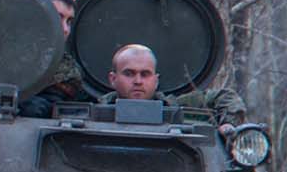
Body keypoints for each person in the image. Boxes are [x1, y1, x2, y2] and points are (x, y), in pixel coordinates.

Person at [104, 43, 246, 133]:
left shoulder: (175, 107)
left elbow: (226, 97)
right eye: (129, 74)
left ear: (156, 81)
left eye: (145, 74)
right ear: (113, 79)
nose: (138, 81)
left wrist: (228, 124)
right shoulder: (94, 107)